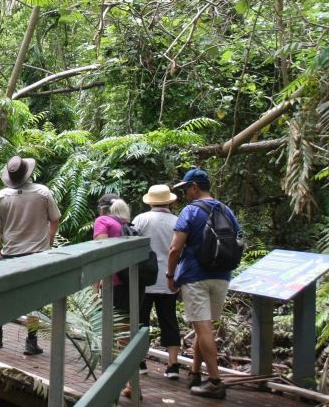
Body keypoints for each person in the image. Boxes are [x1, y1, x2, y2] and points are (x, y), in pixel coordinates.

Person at [167, 168, 242, 400]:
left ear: (195, 187)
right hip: (222, 275)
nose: (185, 194)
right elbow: (239, 240)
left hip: (195, 276)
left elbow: (175, 248)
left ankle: (215, 382)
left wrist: (170, 277)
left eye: (186, 189)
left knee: (203, 327)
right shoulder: (226, 210)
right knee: (204, 326)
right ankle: (196, 372)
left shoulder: (189, 212)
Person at [0, 155, 60, 356]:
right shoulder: (43, 193)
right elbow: (55, 220)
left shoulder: (2, 196)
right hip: (38, 255)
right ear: (28, 173)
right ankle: (31, 341)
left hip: (10, 255)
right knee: (35, 300)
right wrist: (48, 243)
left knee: (3, 296)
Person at [93, 195, 142, 396]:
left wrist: (95, 285)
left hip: (112, 285)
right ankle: (133, 384)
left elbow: (100, 253)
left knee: (109, 335)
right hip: (131, 284)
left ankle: (109, 385)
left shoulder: (102, 221)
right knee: (126, 336)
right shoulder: (128, 224)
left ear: (103, 209)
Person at [132, 184, 182, 380]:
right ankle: (173, 365)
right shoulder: (177, 222)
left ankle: (140, 361)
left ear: (150, 201)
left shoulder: (141, 220)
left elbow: (132, 246)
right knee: (169, 320)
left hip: (145, 279)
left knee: (141, 321)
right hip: (169, 279)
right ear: (170, 201)